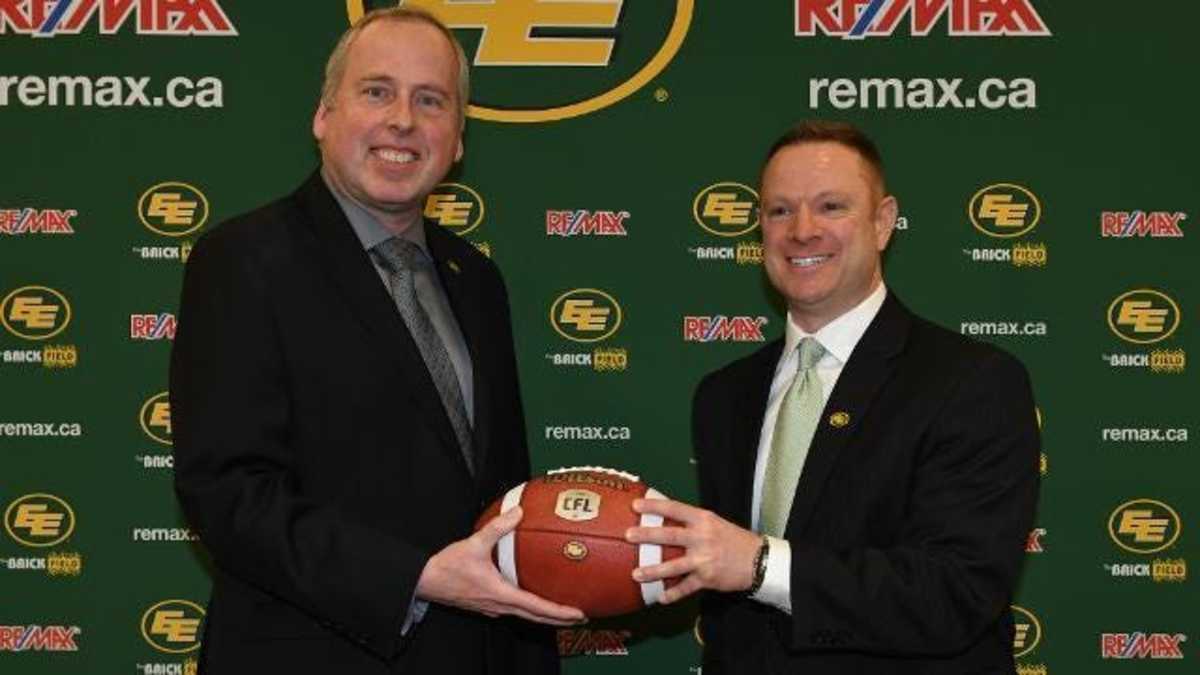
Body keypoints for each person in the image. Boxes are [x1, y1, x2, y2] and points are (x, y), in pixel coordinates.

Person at [170, 8, 582, 674]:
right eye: (376, 91)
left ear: (458, 141)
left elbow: (503, 495)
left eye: (431, 100)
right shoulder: (243, 260)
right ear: (323, 116)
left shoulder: (475, 278)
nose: (402, 120)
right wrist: (416, 575)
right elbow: (229, 493)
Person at [628, 120, 1039, 673]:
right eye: (779, 211)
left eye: (831, 207)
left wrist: (759, 563)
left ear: (884, 222)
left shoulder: (973, 382)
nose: (802, 231)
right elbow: (728, 596)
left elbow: (956, 593)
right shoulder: (724, 395)